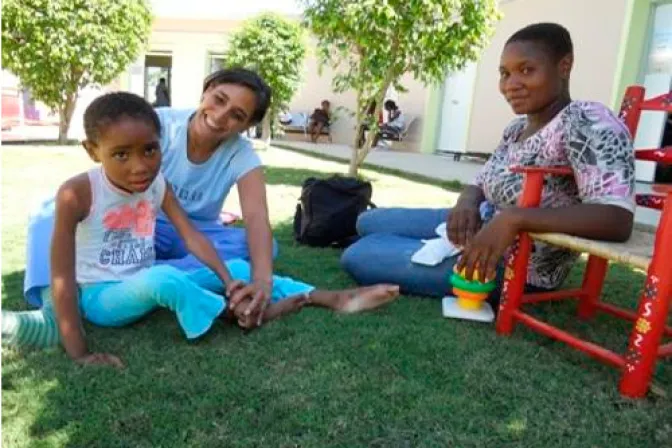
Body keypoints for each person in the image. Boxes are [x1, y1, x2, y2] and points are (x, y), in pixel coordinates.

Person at [1, 92, 400, 367]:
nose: (139, 166)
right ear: (93, 151)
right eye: (121, 155)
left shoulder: (157, 184)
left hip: (141, 279)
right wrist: (80, 352)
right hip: (102, 298)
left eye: (149, 151)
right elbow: (62, 279)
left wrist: (227, 279)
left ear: (160, 145)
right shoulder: (78, 193)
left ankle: (322, 297)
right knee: (166, 278)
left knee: (241, 269)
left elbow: (193, 237)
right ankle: (241, 317)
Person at [341, 23, 635, 307]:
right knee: (367, 222)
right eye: (505, 73)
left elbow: (615, 218)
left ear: (564, 66)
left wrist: (513, 219)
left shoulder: (587, 120)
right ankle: (424, 244)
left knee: (360, 254)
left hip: (513, 261)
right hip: (481, 221)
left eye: (526, 70)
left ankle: (417, 249)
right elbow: (483, 178)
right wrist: (467, 202)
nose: (510, 84)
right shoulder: (517, 127)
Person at [23, 68, 280, 326]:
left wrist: (262, 280)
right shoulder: (158, 124)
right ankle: (51, 304)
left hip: (192, 231)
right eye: (219, 99)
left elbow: (257, 217)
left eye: (237, 115)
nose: (220, 116)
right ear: (207, 90)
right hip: (137, 223)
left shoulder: (242, 155)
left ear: (247, 126)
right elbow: (107, 170)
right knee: (48, 211)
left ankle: (155, 279)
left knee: (264, 248)